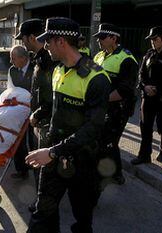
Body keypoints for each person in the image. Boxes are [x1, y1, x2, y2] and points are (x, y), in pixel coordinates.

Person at [25, 17, 111, 233]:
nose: (45, 46)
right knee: (42, 213)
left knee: (82, 219)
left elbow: (92, 129)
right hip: (54, 154)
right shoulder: (57, 70)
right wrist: (39, 114)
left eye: (48, 41)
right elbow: (56, 107)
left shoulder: (96, 77)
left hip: (82, 161)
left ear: (61, 42)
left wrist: (53, 152)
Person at [15, 18, 57, 212]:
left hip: (45, 122)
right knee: (39, 165)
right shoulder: (39, 58)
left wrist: (38, 114)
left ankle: (44, 203)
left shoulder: (49, 60)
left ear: (32, 37)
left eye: (23, 39)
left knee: (43, 165)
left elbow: (51, 96)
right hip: (39, 120)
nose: (22, 43)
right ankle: (44, 200)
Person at [93, 23, 138, 185]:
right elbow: (90, 74)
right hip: (103, 107)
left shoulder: (127, 59)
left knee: (109, 141)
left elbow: (125, 90)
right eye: (98, 38)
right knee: (105, 141)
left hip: (119, 109)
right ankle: (114, 172)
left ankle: (115, 174)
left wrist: (101, 99)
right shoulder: (98, 56)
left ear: (114, 38)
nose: (99, 41)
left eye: (102, 38)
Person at [131, 26, 162, 165]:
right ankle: (144, 155)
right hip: (147, 98)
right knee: (145, 126)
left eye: (155, 39)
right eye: (151, 39)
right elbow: (141, 74)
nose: (153, 42)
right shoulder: (149, 54)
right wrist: (145, 86)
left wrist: (158, 90)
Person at [8, 45, 35, 179]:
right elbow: (11, 89)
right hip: (19, 110)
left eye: (13, 58)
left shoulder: (35, 68)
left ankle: (36, 168)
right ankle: (21, 169)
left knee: (33, 140)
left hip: (35, 111)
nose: (11, 62)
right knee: (18, 139)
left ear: (23, 58)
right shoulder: (13, 70)